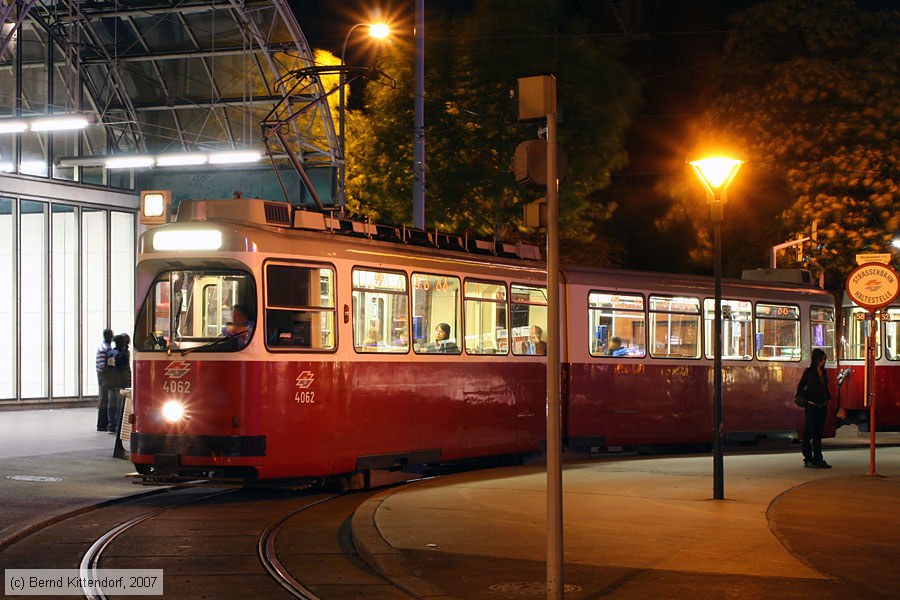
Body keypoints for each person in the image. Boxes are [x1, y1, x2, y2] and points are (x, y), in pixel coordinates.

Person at [797, 348, 831, 468]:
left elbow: (825, 388)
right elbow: (801, 388)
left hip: (822, 406)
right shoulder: (809, 373)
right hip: (811, 405)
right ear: (816, 359)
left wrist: (827, 400)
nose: (823, 361)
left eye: (824, 359)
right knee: (809, 432)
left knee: (818, 433)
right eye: (821, 359)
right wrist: (806, 400)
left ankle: (818, 458)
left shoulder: (824, 373)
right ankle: (808, 458)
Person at [106, 333, 132, 435]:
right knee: (119, 405)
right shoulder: (123, 354)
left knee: (111, 404)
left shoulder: (110, 353)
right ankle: (118, 426)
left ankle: (111, 426)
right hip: (120, 382)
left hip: (110, 382)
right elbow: (125, 369)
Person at [95, 328, 114, 432]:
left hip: (101, 374)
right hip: (104, 375)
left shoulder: (103, 346)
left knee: (104, 398)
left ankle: (102, 424)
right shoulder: (106, 348)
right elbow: (103, 366)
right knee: (104, 398)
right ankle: (102, 424)